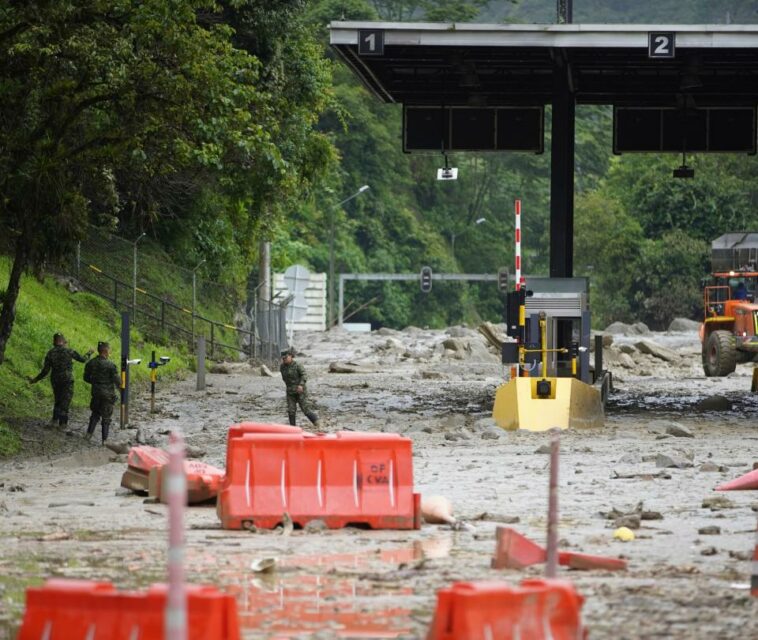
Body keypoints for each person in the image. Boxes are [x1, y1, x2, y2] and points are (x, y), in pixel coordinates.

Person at [29, 333, 93, 428]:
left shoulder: (50, 353)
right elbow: (83, 360)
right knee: (65, 401)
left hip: (55, 380)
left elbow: (45, 371)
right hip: (67, 380)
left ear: (54, 342)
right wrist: (90, 352)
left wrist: (35, 379)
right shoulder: (69, 351)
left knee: (58, 400)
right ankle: (63, 424)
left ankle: (54, 420)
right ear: (63, 341)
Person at [83, 342, 120, 444]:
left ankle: (88, 434)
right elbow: (117, 381)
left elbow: (86, 378)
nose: (110, 352)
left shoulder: (90, 363)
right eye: (109, 350)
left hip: (95, 393)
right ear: (106, 351)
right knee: (106, 417)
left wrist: (96, 383)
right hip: (107, 395)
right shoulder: (111, 365)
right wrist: (122, 390)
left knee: (95, 413)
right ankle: (105, 440)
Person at [279, 348, 320, 428]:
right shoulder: (282, 367)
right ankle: (292, 428)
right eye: (283, 358)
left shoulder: (298, 365)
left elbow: (304, 375)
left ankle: (317, 423)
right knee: (291, 411)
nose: (284, 360)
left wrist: (301, 385)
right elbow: (284, 378)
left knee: (306, 409)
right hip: (290, 392)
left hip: (300, 391)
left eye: (286, 358)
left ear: (291, 356)